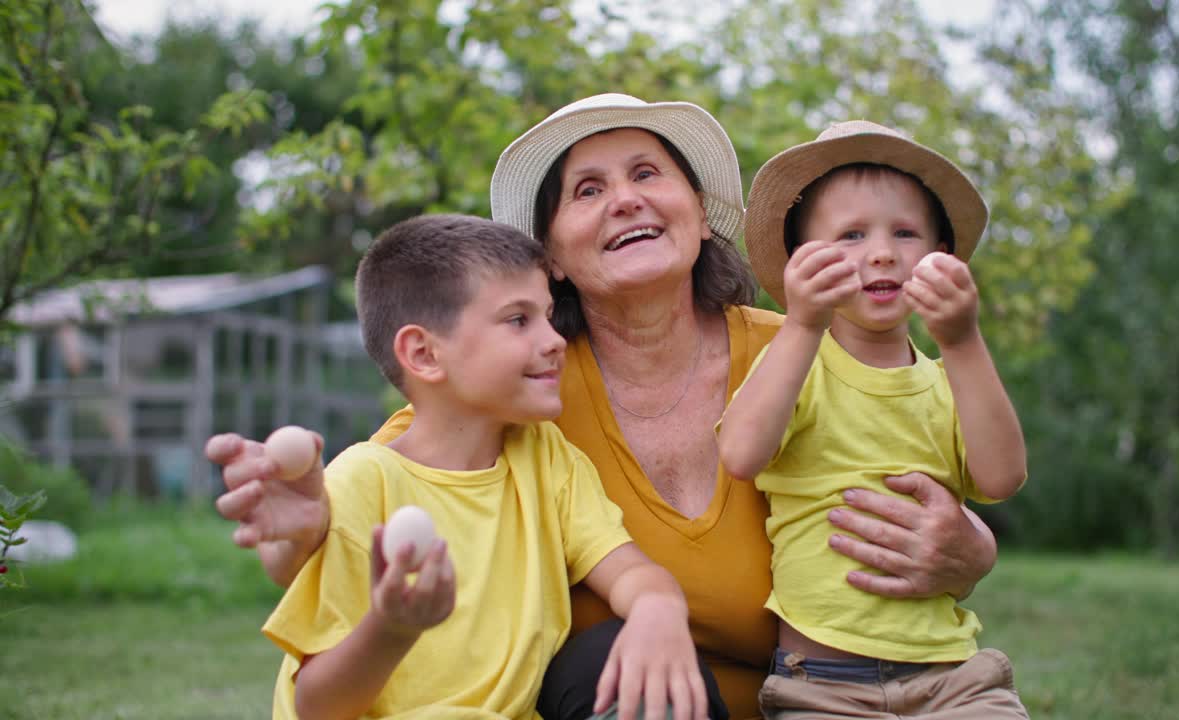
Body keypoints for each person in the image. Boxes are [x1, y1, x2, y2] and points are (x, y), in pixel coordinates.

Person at [207, 94, 1003, 720]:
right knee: (605, 661)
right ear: (550, 253)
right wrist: (304, 529)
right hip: (619, 706)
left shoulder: (805, 351)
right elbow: (410, 462)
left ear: (695, 208)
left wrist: (973, 546)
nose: (626, 200)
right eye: (589, 189)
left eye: (648, 174)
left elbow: (924, 451)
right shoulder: (528, 394)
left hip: (823, 700)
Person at [262, 214, 707, 720]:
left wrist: (658, 608)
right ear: (424, 353)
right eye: (519, 320)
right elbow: (317, 706)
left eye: (546, 314)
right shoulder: (364, 483)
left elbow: (627, 570)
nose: (555, 339)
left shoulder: (545, 459)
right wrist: (393, 627)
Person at [717, 120, 1028, 718]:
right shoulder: (799, 363)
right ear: (802, 263)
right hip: (822, 683)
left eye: (905, 233)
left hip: (950, 675)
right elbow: (741, 454)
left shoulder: (947, 377)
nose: (882, 252)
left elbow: (1000, 478)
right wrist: (804, 323)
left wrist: (962, 341)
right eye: (851, 235)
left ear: (939, 257)